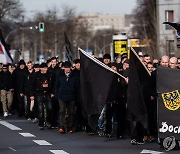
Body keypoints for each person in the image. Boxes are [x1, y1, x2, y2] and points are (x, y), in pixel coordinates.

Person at [56, 61, 79, 133]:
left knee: (71, 112)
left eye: (68, 68)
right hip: (62, 97)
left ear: (70, 68)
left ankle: (70, 127)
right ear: (63, 68)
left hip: (71, 97)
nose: (67, 69)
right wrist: (57, 95)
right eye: (65, 67)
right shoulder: (60, 76)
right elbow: (57, 86)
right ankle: (62, 127)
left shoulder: (74, 76)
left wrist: (76, 96)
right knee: (62, 111)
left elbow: (77, 87)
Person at [30, 63, 55, 130]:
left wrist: (53, 92)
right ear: (41, 68)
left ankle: (48, 121)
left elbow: (53, 84)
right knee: (40, 109)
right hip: (39, 93)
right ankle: (41, 123)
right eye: (44, 68)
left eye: (46, 68)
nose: (45, 69)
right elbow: (32, 85)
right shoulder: (36, 75)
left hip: (48, 93)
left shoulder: (50, 75)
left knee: (49, 108)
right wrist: (31, 94)